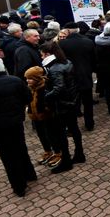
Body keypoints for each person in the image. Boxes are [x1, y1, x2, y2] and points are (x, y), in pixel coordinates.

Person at [0, 57, 36, 197]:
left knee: (8, 156)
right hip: (16, 122)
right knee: (21, 147)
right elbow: (28, 98)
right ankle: (30, 174)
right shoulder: (15, 80)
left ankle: (19, 186)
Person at [40, 41, 85, 172]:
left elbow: (58, 88)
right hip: (72, 101)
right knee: (74, 128)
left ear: (48, 54)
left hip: (62, 105)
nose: (41, 58)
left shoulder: (54, 68)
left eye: (42, 55)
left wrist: (45, 96)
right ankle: (79, 154)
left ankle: (66, 161)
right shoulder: (67, 62)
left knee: (61, 134)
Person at [59, 22, 96, 131]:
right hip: (85, 75)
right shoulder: (88, 42)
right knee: (88, 102)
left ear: (68, 31)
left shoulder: (62, 44)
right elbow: (94, 60)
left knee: (72, 101)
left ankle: (73, 125)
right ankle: (89, 123)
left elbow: (61, 61)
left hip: (70, 77)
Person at [24, 66, 56, 167]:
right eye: (27, 78)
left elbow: (49, 102)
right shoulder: (30, 88)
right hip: (35, 116)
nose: (27, 80)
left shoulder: (44, 87)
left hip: (45, 116)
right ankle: (47, 151)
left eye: (30, 78)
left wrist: (46, 109)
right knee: (41, 135)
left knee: (50, 134)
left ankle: (57, 151)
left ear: (36, 78)